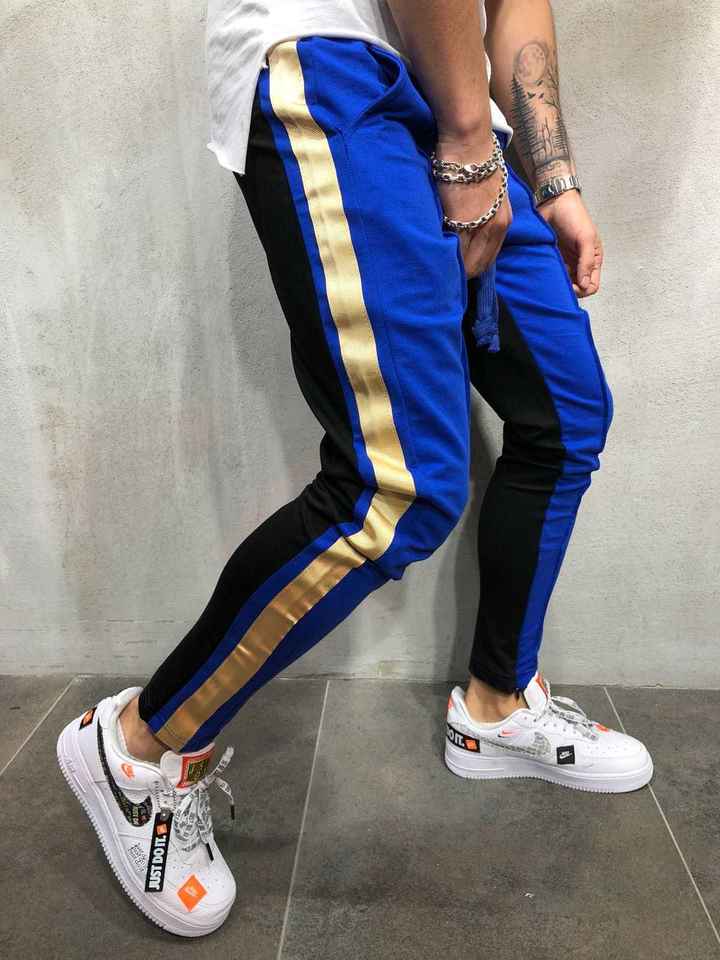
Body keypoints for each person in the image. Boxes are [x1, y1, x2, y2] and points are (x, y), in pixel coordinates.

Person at [56, 0, 653, 938]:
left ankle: (497, 705)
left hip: (463, 107)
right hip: (338, 64)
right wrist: (466, 135)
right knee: (396, 488)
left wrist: (553, 179)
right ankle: (136, 747)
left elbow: (514, 7)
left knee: (567, 415)